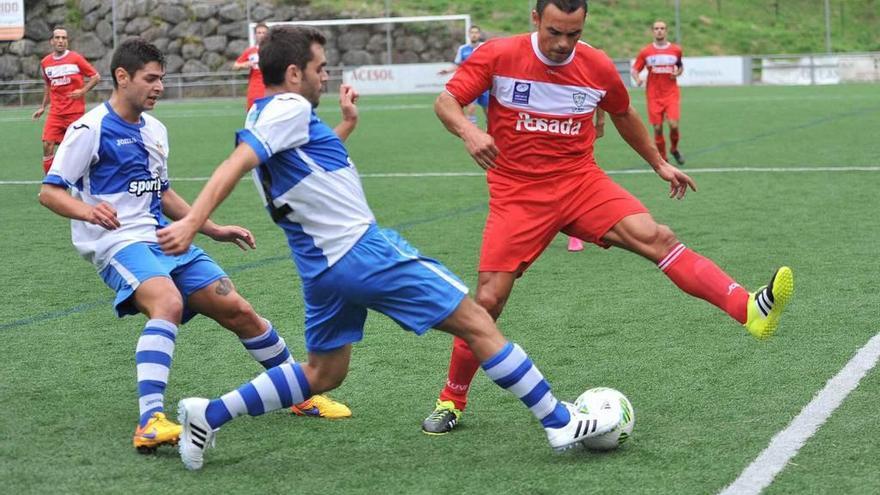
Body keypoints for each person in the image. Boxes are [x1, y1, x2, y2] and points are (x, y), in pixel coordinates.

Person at [155, 25, 620, 471]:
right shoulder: (290, 107)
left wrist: (347, 126)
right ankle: (560, 422)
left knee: (323, 372)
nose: (326, 76)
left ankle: (208, 415)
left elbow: (302, 164)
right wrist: (195, 221)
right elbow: (239, 161)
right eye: (320, 67)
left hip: (320, 267)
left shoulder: (263, 112)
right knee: (478, 321)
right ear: (294, 74)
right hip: (361, 252)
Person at [420, 0, 794, 435]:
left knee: (658, 237)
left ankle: (749, 308)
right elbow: (446, 101)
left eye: (573, 34)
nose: (563, 44)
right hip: (518, 195)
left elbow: (623, 113)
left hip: (581, 183)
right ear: (536, 19)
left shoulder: (595, 65)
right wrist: (469, 130)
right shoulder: (499, 55)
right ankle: (452, 398)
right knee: (487, 302)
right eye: (554, 32)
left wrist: (658, 164)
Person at [37, 38, 350, 455]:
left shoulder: (156, 129)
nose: (159, 87)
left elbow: (161, 190)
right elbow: (49, 192)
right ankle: (150, 420)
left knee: (239, 310)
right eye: (150, 79)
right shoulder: (88, 130)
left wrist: (210, 226)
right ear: (122, 77)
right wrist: (88, 212)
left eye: (162, 79)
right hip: (117, 243)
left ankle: (301, 395)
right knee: (166, 301)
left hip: (163, 236)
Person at [32, 27, 100, 174]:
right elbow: (48, 85)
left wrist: (82, 91)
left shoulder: (76, 59)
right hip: (55, 114)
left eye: (64, 38)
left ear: (67, 41)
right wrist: (43, 107)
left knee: (78, 150)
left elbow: (96, 77)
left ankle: (83, 183)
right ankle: (51, 186)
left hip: (75, 114)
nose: (61, 41)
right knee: (47, 145)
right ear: (51, 41)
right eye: (57, 38)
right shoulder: (45, 63)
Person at [632, 20, 685, 165]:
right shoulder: (646, 52)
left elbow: (680, 66)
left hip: (671, 94)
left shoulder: (676, 50)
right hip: (653, 95)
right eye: (656, 28)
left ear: (666, 31)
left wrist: (677, 73)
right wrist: (637, 79)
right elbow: (635, 69)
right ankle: (664, 158)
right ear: (653, 31)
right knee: (657, 128)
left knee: (673, 125)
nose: (659, 31)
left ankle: (674, 149)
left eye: (662, 28)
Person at [567, 107, 604, 252]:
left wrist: (600, 122)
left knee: (577, 176)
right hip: (546, 127)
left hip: (579, 128)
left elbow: (601, 88)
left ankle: (575, 233)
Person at [439, 25, 489, 126]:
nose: (474, 35)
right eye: (472, 33)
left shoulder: (486, 47)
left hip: (485, 83)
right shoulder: (463, 49)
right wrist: (447, 71)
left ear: (479, 34)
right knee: (471, 107)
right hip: (470, 83)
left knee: (488, 110)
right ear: (469, 35)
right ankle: (472, 131)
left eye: (476, 33)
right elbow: (458, 64)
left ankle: (492, 131)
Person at [233, 22, 269, 111]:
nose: (261, 35)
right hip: (255, 89)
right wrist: (245, 64)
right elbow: (235, 66)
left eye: (264, 33)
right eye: (259, 33)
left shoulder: (273, 50)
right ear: (255, 35)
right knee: (253, 117)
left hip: (270, 88)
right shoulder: (251, 51)